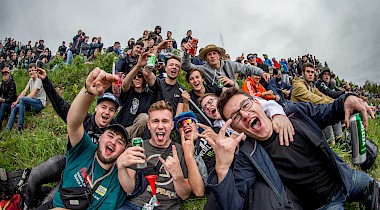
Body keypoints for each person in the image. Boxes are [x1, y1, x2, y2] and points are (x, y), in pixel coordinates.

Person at [208, 87, 377, 209]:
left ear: (257, 103)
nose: (244, 115)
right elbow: (233, 204)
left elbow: (328, 111)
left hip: (346, 178)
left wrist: (347, 99)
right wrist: (222, 168)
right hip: (325, 205)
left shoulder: (291, 112)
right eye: (236, 117)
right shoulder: (248, 155)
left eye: (245, 105)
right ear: (236, 129)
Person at [24, 67, 122, 208]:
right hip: (68, 160)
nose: (107, 112)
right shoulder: (82, 119)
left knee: (51, 200)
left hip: (83, 175)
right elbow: (60, 105)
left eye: (111, 110)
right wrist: (45, 81)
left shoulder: (113, 133)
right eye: (104, 107)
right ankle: (29, 203)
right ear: (96, 108)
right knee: (35, 175)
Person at [49, 68, 146, 209]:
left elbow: (130, 187)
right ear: (99, 138)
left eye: (120, 142)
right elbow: (73, 123)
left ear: (123, 151)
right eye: (110, 136)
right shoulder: (86, 149)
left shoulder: (117, 180)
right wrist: (88, 91)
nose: (113, 141)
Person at [119, 100, 192, 210]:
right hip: (136, 205)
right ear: (148, 125)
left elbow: (185, 195)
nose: (160, 126)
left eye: (165, 121)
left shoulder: (181, 150)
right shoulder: (138, 147)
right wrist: (121, 167)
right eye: (155, 121)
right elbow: (129, 189)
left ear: (172, 125)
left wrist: (178, 176)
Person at [291, 63, 342, 144]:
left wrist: (337, 103)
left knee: (333, 109)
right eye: (308, 72)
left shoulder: (311, 86)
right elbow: (311, 98)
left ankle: (339, 138)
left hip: (308, 114)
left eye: (312, 72)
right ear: (303, 73)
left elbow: (322, 96)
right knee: (324, 112)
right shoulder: (298, 85)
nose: (311, 74)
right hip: (299, 118)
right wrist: (334, 103)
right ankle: (331, 143)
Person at [182, 44, 270, 87]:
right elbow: (187, 67)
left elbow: (246, 68)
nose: (212, 56)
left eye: (214, 53)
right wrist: (186, 53)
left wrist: (262, 73)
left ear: (219, 55)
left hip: (233, 91)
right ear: (205, 58)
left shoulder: (229, 64)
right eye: (209, 54)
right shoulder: (203, 69)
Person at [115, 52, 155, 139]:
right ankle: (123, 136)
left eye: (140, 76)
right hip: (121, 128)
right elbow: (125, 85)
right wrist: (138, 66)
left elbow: (153, 81)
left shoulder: (149, 95)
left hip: (137, 136)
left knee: (145, 118)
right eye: (134, 77)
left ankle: (124, 137)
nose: (137, 78)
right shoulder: (129, 92)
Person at [5, 63, 46, 131]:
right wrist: (16, 102)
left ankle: (20, 127)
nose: (31, 72)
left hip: (39, 103)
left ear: (36, 71)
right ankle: (7, 129)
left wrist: (22, 100)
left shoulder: (39, 80)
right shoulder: (31, 80)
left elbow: (32, 94)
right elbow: (24, 91)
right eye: (29, 71)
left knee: (23, 99)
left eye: (32, 70)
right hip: (32, 102)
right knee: (15, 107)